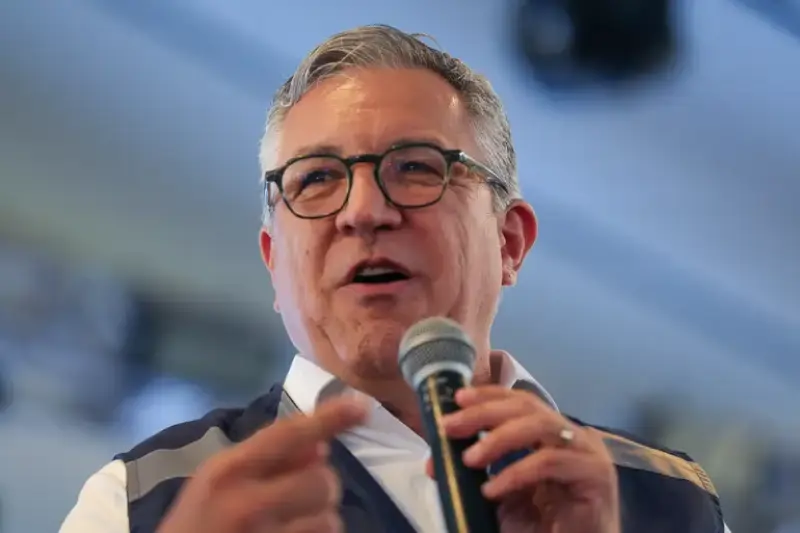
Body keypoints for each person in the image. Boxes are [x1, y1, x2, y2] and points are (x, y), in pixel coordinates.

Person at [61, 24, 733, 533]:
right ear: (274, 262)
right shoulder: (144, 501)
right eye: (316, 179)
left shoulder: (669, 500)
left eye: (415, 167)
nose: (363, 211)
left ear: (509, 241)